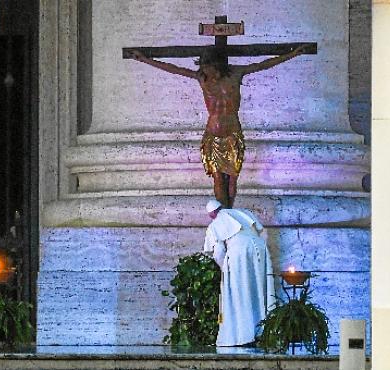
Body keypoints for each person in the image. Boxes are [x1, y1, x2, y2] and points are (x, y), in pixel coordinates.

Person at [127, 46, 308, 208]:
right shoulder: (202, 77)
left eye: (209, 67)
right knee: (218, 179)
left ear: (218, 64)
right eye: (204, 67)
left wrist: (292, 54)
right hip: (213, 134)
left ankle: (229, 214)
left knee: (232, 180)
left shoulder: (236, 73)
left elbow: (263, 65)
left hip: (232, 134)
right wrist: (144, 59)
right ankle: (223, 218)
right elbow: (173, 69)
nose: (206, 71)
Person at [203, 199, 275, 346]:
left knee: (240, 293)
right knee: (260, 290)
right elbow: (262, 232)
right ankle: (263, 331)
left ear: (211, 214)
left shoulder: (216, 224)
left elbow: (218, 253)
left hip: (239, 253)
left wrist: (226, 269)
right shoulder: (243, 212)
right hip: (260, 248)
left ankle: (244, 335)